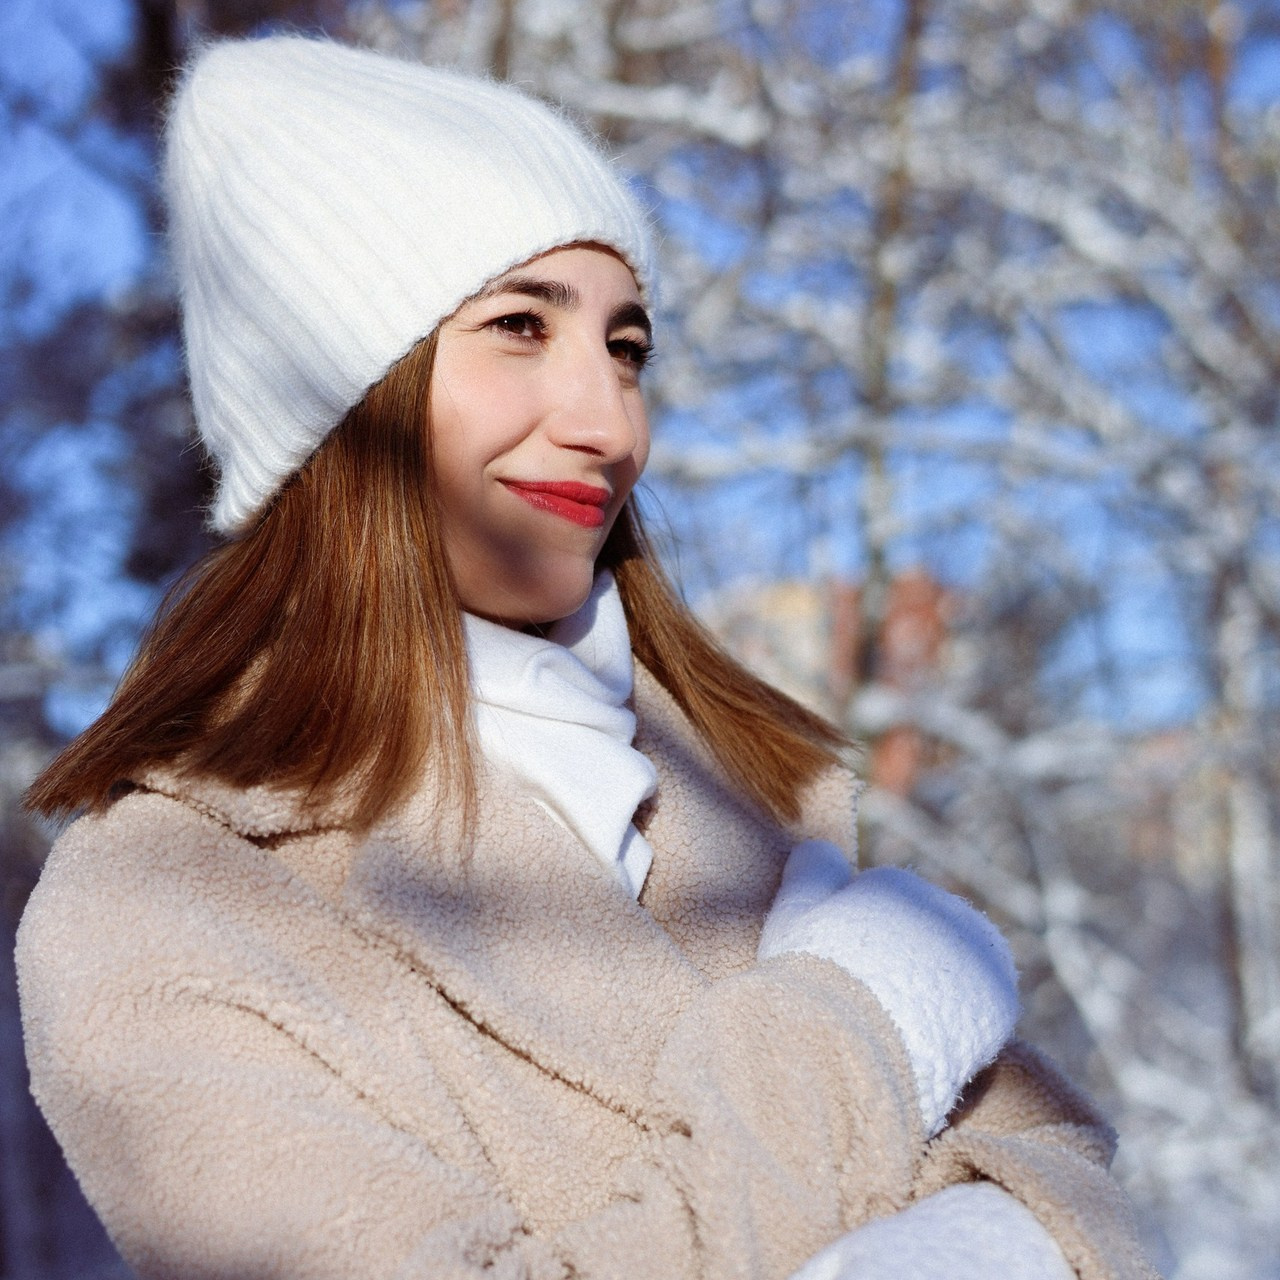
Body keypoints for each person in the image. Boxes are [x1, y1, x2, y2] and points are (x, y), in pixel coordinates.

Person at [16, 35, 1158, 1280]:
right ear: (342, 402)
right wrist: (859, 1024)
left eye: (625, 346)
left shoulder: (742, 790)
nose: (610, 422)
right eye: (519, 326)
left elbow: (1065, 1190)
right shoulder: (163, 906)